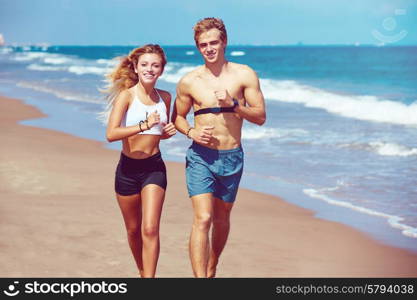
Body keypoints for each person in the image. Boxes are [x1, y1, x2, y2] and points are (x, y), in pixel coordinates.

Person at [173, 18, 266, 277]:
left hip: (232, 156)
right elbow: (177, 118)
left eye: (214, 42)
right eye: (203, 45)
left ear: (224, 42)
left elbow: (260, 117)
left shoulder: (245, 74)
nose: (209, 48)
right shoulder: (189, 81)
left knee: (221, 218)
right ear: (198, 47)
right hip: (201, 156)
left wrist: (234, 105)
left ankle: (212, 264)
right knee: (203, 218)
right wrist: (191, 131)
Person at [104, 44, 176, 277]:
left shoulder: (165, 97)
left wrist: (167, 131)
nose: (150, 69)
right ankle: (143, 271)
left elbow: (159, 134)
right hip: (127, 169)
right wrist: (143, 125)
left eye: (155, 65)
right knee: (134, 230)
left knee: (150, 228)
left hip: (154, 168)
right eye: (144, 64)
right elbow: (111, 134)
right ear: (135, 67)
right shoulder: (127, 96)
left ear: (162, 70)